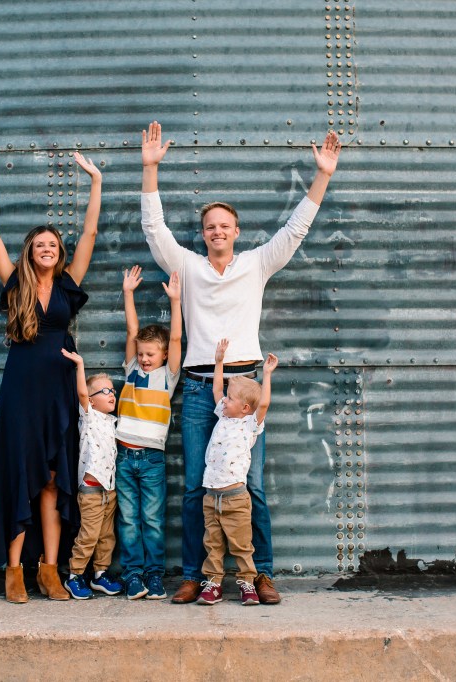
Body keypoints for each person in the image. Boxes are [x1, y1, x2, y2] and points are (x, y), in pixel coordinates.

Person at [140, 120, 341, 605]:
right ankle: (195, 575)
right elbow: (154, 229)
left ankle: (261, 574)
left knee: (252, 486)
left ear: (236, 232)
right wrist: (150, 169)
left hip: (247, 387)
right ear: (203, 234)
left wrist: (323, 175)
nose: (217, 231)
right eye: (210, 226)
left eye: (224, 226)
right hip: (198, 388)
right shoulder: (186, 265)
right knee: (195, 487)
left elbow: (295, 230)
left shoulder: (256, 264)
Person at [0, 145, 103, 603]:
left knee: (52, 479)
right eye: (39, 244)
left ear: (59, 252)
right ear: (30, 252)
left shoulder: (68, 283)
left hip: (60, 391)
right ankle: (14, 571)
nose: (47, 249)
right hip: (22, 390)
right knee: (19, 476)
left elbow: (89, 232)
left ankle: (49, 570)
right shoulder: (16, 283)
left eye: (53, 245)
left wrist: (96, 183)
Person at [115, 265, 182, 600]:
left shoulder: (167, 377)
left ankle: (155, 576)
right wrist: (127, 293)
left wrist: (176, 301)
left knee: (152, 520)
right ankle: (133, 576)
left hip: (153, 458)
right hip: (124, 456)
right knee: (128, 520)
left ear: (164, 355)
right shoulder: (131, 369)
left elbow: (176, 337)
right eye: (141, 353)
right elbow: (132, 330)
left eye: (150, 354)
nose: (143, 358)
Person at [197, 341, 277, 606]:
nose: (224, 400)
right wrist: (219, 362)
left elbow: (263, 404)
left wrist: (266, 375)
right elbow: (217, 389)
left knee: (242, 545)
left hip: (236, 499)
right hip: (211, 497)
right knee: (213, 545)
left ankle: (247, 582)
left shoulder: (249, 425)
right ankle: (213, 583)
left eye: (230, 399)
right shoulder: (223, 416)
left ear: (244, 408)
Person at [58, 349, 125, 600]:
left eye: (113, 390)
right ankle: (74, 575)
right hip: (91, 492)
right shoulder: (89, 418)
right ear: (92, 400)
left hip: (109, 491)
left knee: (106, 536)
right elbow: (82, 393)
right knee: (88, 535)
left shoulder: (111, 422)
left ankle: (100, 574)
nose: (112, 394)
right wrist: (80, 365)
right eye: (105, 391)